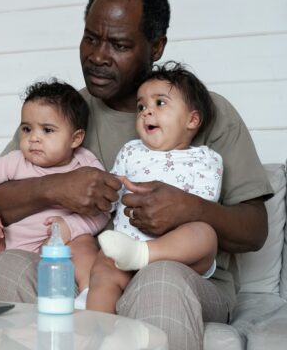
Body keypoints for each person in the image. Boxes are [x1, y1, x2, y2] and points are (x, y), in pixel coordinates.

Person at [0, 0, 274, 350]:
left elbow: (256, 228)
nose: (98, 55)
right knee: (3, 266)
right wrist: (55, 187)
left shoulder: (207, 112)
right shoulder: (65, 112)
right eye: (91, 38)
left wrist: (191, 209)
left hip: (181, 275)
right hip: (90, 273)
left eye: (119, 45)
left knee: (161, 279)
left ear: (156, 47)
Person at [0, 80, 109, 299]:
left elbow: (103, 209)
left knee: (84, 246)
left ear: (75, 138)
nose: (33, 138)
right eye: (27, 129)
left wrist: (71, 227)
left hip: (58, 247)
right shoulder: (16, 160)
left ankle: (86, 294)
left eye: (47, 130)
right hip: (6, 241)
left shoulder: (85, 165)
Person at [89, 61, 222, 313]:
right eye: (141, 106)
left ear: (192, 120)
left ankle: (143, 253)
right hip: (126, 246)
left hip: (177, 257)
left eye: (159, 103)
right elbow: (111, 197)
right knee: (102, 268)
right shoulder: (131, 151)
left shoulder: (205, 158)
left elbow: (203, 202)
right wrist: (110, 187)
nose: (146, 112)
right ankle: (95, 326)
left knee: (205, 234)